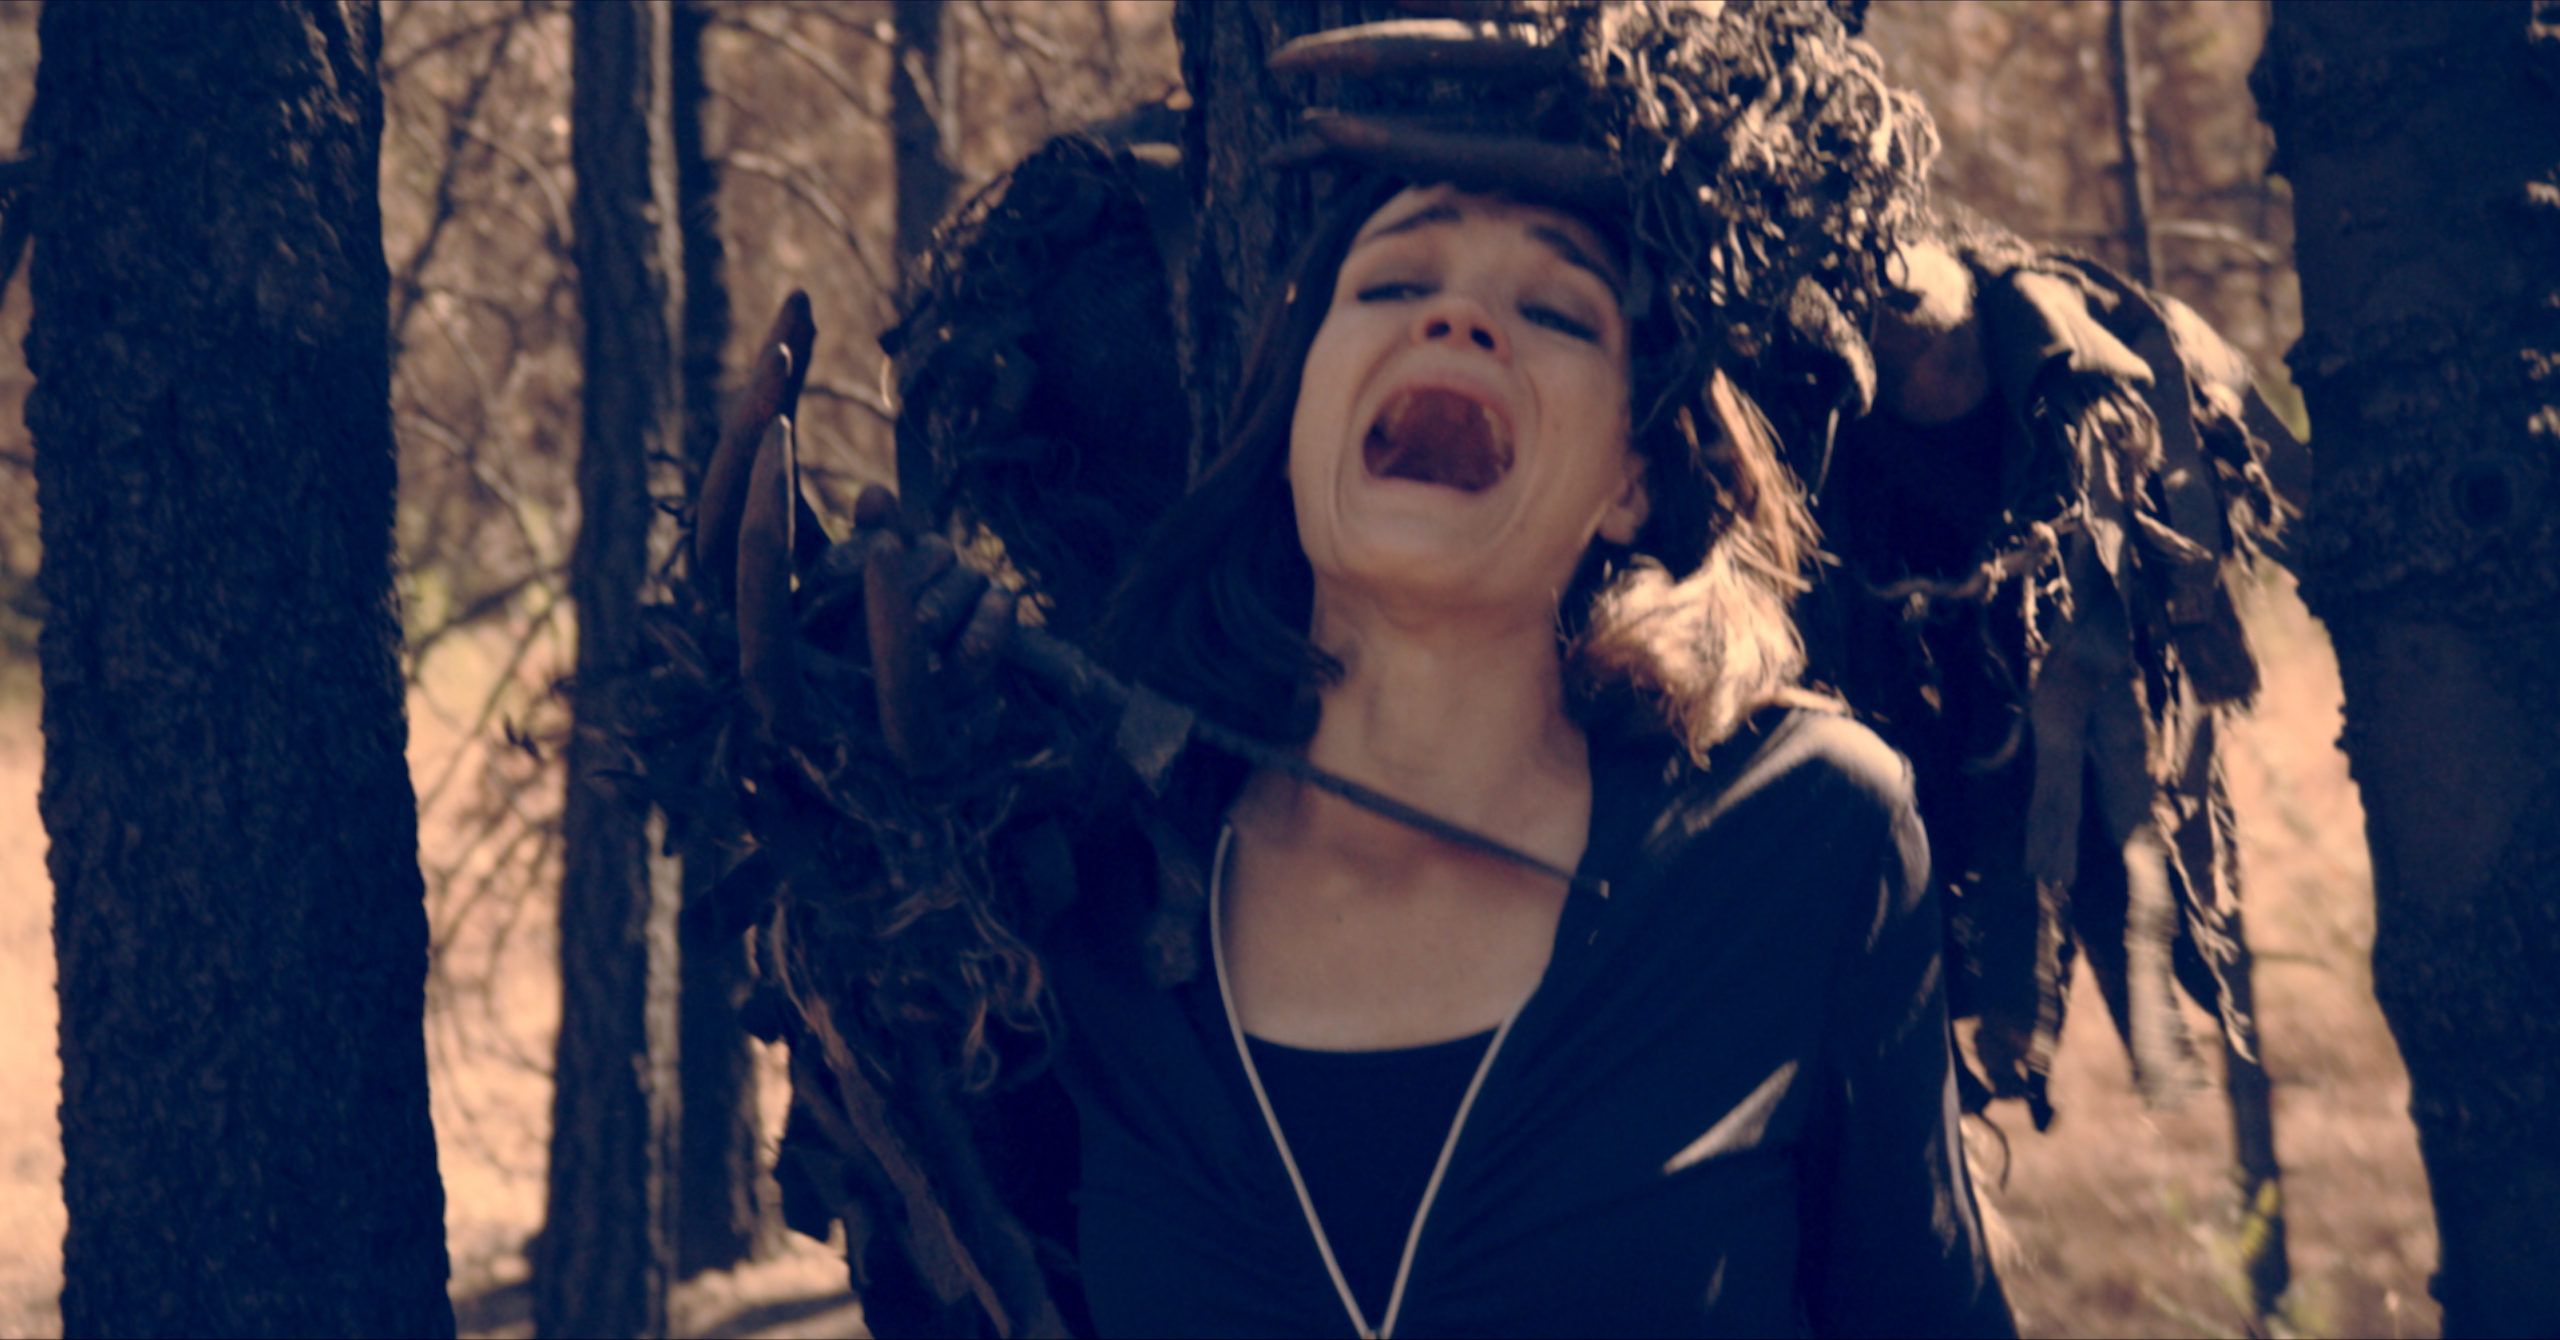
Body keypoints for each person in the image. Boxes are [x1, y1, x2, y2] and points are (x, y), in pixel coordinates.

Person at [671, 7, 2016, 1336]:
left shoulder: (1803, 837)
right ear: (1296, 413)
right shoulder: (1100, 900)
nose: (1460, 319)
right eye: (1390, 285)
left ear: (1628, 480)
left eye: (1554, 308)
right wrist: (885, 868)